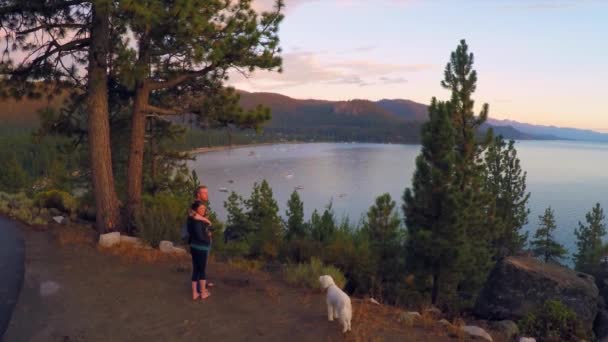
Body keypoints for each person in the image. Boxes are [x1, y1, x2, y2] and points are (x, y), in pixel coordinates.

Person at [188, 200, 212, 300]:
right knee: (201, 270)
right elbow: (200, 236)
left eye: (204, 209)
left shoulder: (191, 218)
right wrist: (208, 238)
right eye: (201, 208)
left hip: (193, 246)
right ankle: (203, 292)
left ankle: (195, 293)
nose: (203, 210)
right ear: (196, 209)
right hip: (201, 247)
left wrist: (207, 224)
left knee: (195, 269)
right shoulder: (197, 221)